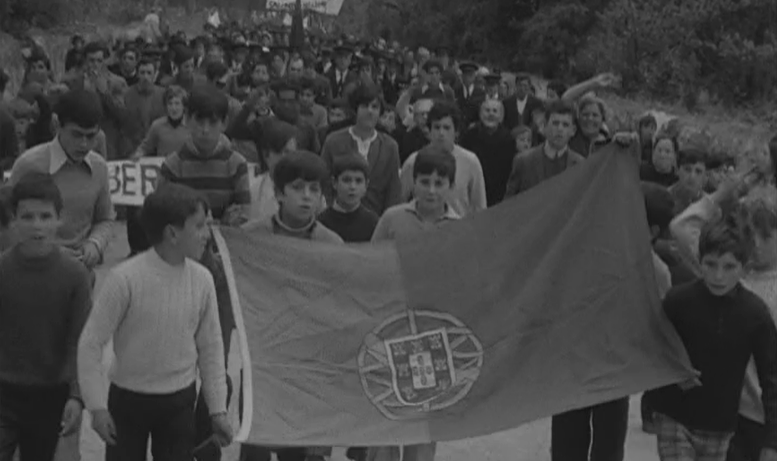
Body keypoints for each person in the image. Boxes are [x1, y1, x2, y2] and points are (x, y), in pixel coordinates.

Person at [78, 183, 233, 461]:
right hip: (127, 402)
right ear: (172, 233)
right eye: (199, 227)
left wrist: (217, 410)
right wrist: (97, 407)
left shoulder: (202, 279)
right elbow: (90, 343)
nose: (207, 236)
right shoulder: (124, 279)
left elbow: (211, 349)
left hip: (179, 403)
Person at [157, 83, 249, 461]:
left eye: (213, 122)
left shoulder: (236, 164)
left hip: (221, 277)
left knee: (216, 357)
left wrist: (213, 229)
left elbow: (242, 216)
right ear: (188, 119)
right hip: (179, 275)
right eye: (199, 121)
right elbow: (160, 215)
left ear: (224, 122)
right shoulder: (173, 164)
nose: (205, 130)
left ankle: (206, 438)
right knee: (178, 359)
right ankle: (177, 441)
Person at [670, 165, 777, 461]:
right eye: (748, 232)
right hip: (725, 414)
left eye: (764, 234)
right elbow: (682, 228)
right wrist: (723, 194)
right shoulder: (727, 272)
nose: (754, 242)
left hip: (765, 416)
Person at [367, 148, 460, 461]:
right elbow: (366, 267)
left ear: (451, 185)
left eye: (439, 182)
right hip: (389, 329)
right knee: (387, 413)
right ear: (413, 182)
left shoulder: (458, 227)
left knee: (424, 419)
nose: (431, 189)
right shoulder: (393, 218)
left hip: (433, 337)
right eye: (424, 181)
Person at [0, 172, 92, 461]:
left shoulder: (75, 275)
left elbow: (81, 340)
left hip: (51, 393)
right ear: (13, 219)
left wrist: (77, 395)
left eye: (44, 216)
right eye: (27, 217)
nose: (36, 226)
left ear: (59, 218)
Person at [10, 89, 115, 275]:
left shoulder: (99, 168)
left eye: (91, 136)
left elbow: (105, 219)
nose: (84, 144)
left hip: (80, 275)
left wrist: (95, 244)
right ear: (57, 124)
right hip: (31, 273)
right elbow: (7, 222)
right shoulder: (28, 165)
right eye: (76, 134)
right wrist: (48, 249)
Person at [321, 84, 402, 216]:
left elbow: (393, 191)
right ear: (355, 110)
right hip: (338, 216)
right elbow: (324, 182)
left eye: (375, 107)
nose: (370, 111)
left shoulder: (390, 146)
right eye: (365, 106)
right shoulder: (333, 141)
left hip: (376, 220)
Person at [401, 100, 486, 217]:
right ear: (429, 130)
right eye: (436, 127)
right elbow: (400, 202)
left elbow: (480, 206)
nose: (441, 133)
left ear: (456, 132)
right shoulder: (413, 161)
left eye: (446, 128)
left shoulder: (471, 161)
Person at [504, 99, 584, 198]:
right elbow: (508, 204)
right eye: (555, 123)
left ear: (573, 130)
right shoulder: (523, 161)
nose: (560, 129)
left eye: (565, 125)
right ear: (545, 125)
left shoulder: (580, 164)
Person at [459, 99, 515, 207]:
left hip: (499, 196)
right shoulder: (469, 136)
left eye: (495, 111)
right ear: (480, 114)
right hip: (473, 191)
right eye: (487, 110)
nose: (491, 114)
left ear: (501, 116)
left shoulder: (509, 140)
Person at [318, 155, 380, 242]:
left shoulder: (373, 223)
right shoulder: (321, 223)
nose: (352, 187)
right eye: (346, 180)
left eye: (358, 181)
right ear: (334, 183)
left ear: (366, 185)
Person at [248, 119, 299, 222]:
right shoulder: (253, 189)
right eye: (283, 152)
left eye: (292, 153)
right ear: (266, 155)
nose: (288, 159)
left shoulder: (308, 190)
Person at [670, 148, 708, 215]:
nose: (692, 176)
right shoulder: (664, 198)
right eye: (687, 169)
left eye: (698, 171)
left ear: (705, 177)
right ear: (677, 170)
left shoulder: (709, 205)